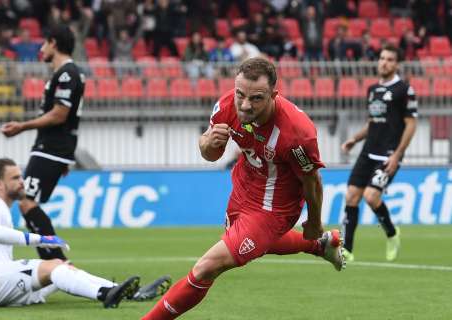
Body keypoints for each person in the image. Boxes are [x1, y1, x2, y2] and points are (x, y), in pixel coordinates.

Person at [142, 57, 345, 320]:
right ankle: (320, 245)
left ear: (273, 94)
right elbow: (210, 154)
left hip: (274, 208)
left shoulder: (297, 134)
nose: (245, 105)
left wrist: (315, 221)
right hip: (242, 188)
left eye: (256, 98)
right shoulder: (228, 103)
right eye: (241, 95)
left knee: (207, 267)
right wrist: (209, 142)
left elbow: (312, 181)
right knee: (250, 243)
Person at [0, 158, 151, 308]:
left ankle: (119, 290)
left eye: (21, 176)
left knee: (62, 267)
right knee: (53, 268)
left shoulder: (0, 208)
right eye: (15, 178)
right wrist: (40, 239)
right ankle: (105, 294)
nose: (22, 182)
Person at [0, 24, 83, 262]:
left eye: (45, 43)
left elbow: (60, 114)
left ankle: (57, 262)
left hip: (52, 148)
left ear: (54, 43)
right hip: (53, 148)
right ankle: (55, 262)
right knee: (26, 202)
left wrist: (21, 127)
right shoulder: (65, 74)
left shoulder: (67, 73)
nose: (42, 48)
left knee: (26, 202)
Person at [340, 44, 418, 262]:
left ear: (397, 64)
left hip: (389, 154)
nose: (384, 62)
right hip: (368, 152)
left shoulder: (404, 90)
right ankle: (347, 249)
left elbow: (411, 124)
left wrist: (397, 155)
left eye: (390, 59)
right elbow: (372, 123)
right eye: (382, 58)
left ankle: (392, 234)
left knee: (371, 196)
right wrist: (354, 140)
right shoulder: (373, 89)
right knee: (351, 196)